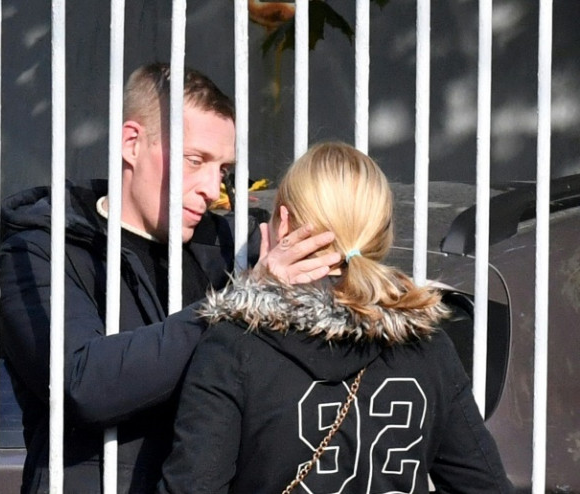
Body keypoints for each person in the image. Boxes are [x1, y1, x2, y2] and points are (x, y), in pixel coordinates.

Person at [0, 63, 341, 494]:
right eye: (195, 160)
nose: (212, 188)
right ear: (131, 143)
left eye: (222, 169)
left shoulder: (230, 247)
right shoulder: (41, 248)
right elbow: (82, 384)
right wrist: (242, 301)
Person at [157, 142, 514, 494]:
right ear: (382, 233)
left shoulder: (235, 346)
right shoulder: (427, 346)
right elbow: (485, 485)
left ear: (282, 225)